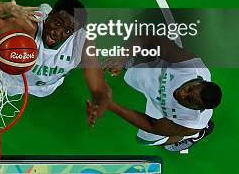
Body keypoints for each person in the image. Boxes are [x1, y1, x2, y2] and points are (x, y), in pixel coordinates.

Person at [87, 33, 222, 152]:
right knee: (134, 61)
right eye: (189, 89)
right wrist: (123, 57)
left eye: (189, 100)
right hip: (155, 76)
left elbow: (152, 125)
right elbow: (149, 37)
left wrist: (110, 104)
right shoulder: (190, 66)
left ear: (198, 109)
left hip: (163, 111)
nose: (182, 94)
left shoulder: (191, 122)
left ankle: (195, 136)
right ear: (199, 82)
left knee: (145, 139)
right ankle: (131, 62)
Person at [0, 0, 111, 110]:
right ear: (51, 15)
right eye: (57, 23)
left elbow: (97, 82)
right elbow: (2, 25)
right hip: (5, 75)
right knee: (1, 39)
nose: (57, 33)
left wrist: (99, 98)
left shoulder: (81, 44)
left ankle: (48, 12)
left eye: (68, 31)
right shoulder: (28, 25)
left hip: (41, 86)